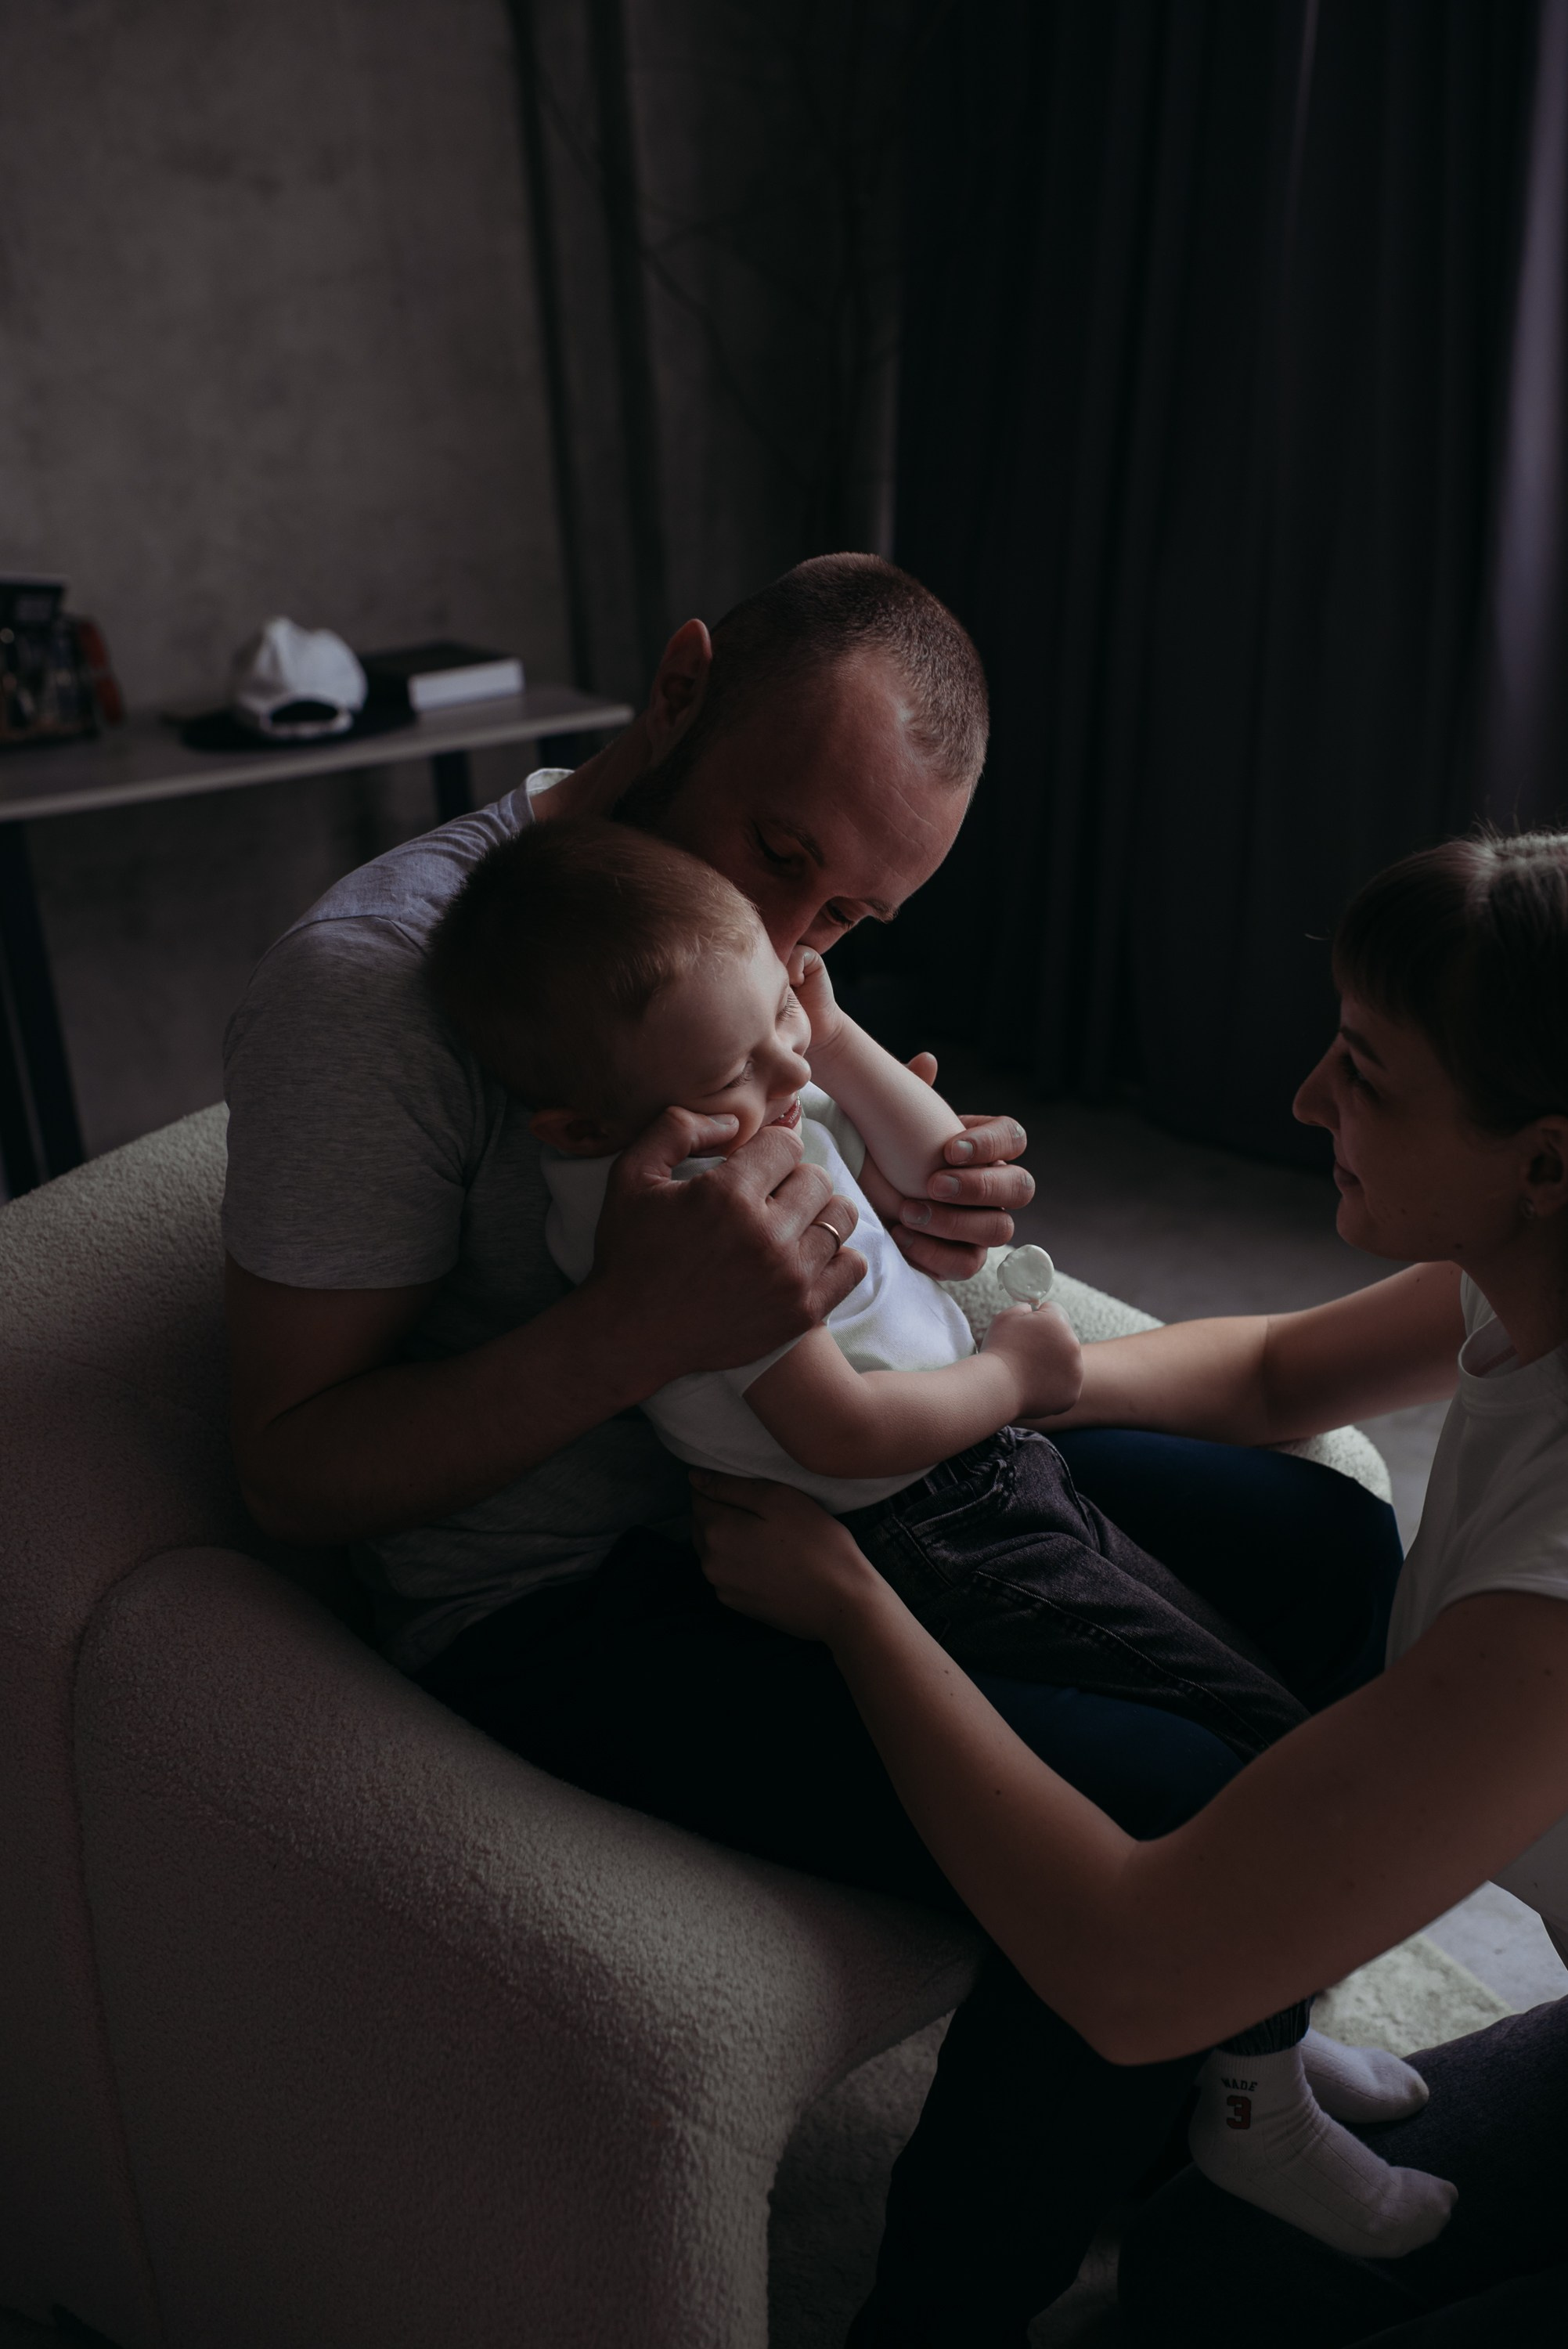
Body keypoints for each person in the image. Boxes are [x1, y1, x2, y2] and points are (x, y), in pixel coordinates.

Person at [222, 554, 1403, 2345]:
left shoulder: (751, 965)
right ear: (682, 685)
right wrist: (633, 1327)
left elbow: (825, 1240)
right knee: (1162, 1802)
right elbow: (291, 1469)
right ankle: (944, 2315)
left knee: (1331, 1554)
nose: (793, 951)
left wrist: (917, 1241)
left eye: (853, 919)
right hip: (582, 1588)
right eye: (785, 863)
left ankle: (1168, 2115)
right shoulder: (383, 988)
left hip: (857, 1476)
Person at [427, 810, 1458, 2258]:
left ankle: (1247, 2033)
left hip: (983, 1470)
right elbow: (840, 1432)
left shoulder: (737, 1098)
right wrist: (1014, 1382)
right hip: (927, 1518)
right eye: (750, 1060)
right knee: (1235, 1742)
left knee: (1274, 1639)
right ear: (586, 1130)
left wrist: (826, 1041)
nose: (787, 1075)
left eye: (786, 1014)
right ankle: (1251, 2097)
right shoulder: (690, 1217)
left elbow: (938, 1161)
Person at [693, 829, 1568, 2344]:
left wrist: (852, 1603)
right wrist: (980, 1385)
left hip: (1144, 1956)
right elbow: (1282, 1365)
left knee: (1208, 2315)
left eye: (1366, 1071)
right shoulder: (1530, 1270)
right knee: (1207, 2270)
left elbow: (1135, 1966)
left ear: (1547, 1160)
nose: (1308, 1099)